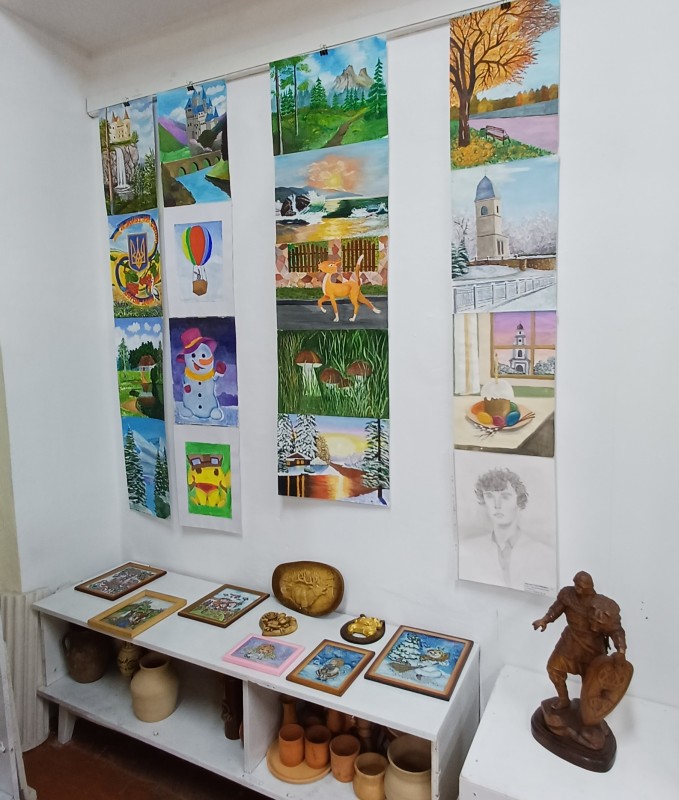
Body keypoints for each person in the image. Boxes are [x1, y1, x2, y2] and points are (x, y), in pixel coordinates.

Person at [532, 571, 627, 709]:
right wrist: (544, 620)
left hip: (592, 648)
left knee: (590, 683)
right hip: (570, 641)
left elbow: (616, 630)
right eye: (576, 585)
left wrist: (621, 650)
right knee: (553, 668)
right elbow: (556, 609)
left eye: (582, 587)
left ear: (589, 588)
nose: (578, 589)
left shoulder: (602, 605)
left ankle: (587, 710)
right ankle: (563, 699)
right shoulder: (567, 595)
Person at [458, 467, 555, 592]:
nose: (497, 505)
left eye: (505, 497)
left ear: (519, 502)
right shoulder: (468, 549)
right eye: (489, 496)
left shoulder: (543, 553)